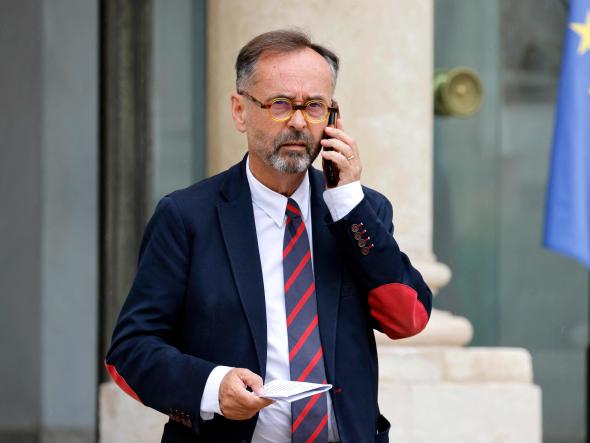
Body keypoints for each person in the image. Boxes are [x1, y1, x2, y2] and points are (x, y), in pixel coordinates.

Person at [106, 29, 432, 443]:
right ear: (240, 110)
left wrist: (348, 204)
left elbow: (408, 319)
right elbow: (130, 352)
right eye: (280, 104)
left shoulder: (360, 214)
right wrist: (213, 386)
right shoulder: (187, 217)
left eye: (314, 106)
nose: (298, 122)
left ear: (333, 118)